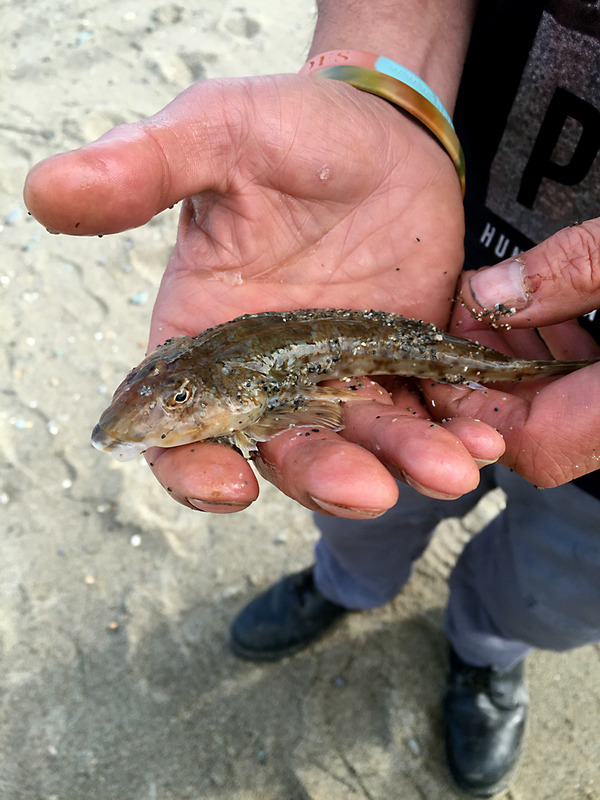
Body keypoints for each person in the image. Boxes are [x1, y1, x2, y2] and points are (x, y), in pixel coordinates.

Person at [23, 0, 600, 795]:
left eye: (181, 396)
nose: (163, 409)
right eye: (165, 389)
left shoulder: (261, 391)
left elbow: (298, 399)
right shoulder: (226, 371)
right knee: (369, 507)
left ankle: (487, 652)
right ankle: (347, 585)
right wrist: (385, 85)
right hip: (435, 226)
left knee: (556, 588)